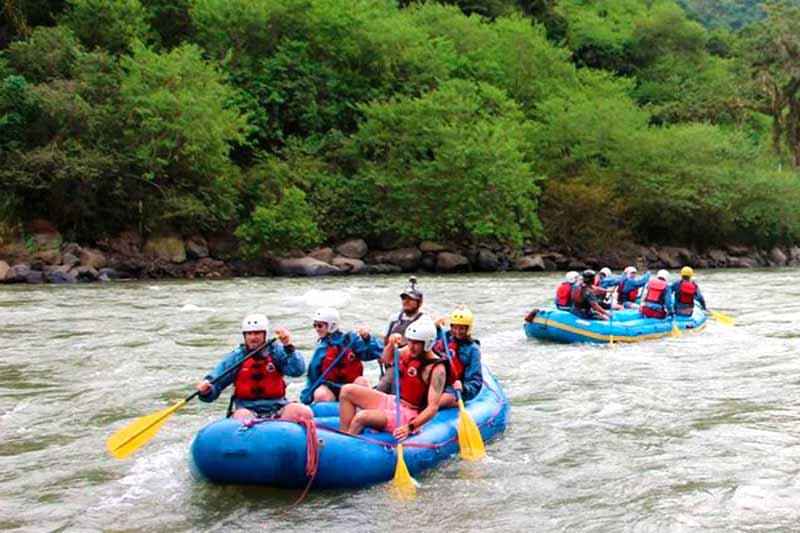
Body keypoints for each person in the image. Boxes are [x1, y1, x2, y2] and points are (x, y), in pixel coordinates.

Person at [338, 317, 447, 440]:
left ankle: (348, 445)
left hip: (409, 415)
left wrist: (409, 427)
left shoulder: (437, 369)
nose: (411, 346)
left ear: (428, 343)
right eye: (410, 341)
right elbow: (386, 359)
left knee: (362, 417)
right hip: (394, 401)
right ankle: (343, 436)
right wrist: (391, 344)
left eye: (416, 343)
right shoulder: (410, 350)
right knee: (347, 391)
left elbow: (432, 408)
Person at [196, 314, 312, 421]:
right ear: (244, 335)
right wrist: (207, 390)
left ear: (265, 334)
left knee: (303, 412)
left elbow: (297, 371)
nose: (253, 337)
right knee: (242, 417)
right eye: (249, 334)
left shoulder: (276, 352)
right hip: (247, 409)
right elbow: (216, 383)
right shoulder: (236, 357)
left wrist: (288, 346)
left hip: (278, 406)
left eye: (257, 333)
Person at [300, 307, 383, 404]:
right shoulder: (321, 349)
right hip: (331, 388)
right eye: (315, 325)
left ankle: (361, 410)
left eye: (320, 325)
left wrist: (368, 339)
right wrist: (306, 397)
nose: (317, 329)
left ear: (332, 325)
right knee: (320, 394)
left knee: (362, 381)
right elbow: (313, 376)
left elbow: (378, 352)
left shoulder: (352, 341)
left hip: (351, 386)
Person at [375, 277, 428, 393]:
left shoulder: (425, 320)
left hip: (416, 364)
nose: (406, 301)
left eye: (410, 299)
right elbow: (385, 342)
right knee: (381, 387)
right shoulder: (394, 319)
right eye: (404, 298)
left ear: (419, 302)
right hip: (394, 364)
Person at [432, 306, 482, 408]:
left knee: (439, 402)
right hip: (439, 380)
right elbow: (428, 343)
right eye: (455, 328)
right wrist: (434, 327)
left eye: (462, 329)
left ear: (468, 329)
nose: (458, 332)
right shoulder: (446, 338)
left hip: (455, 386)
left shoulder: (473, 350)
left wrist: (464, 388)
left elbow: (475, 380)